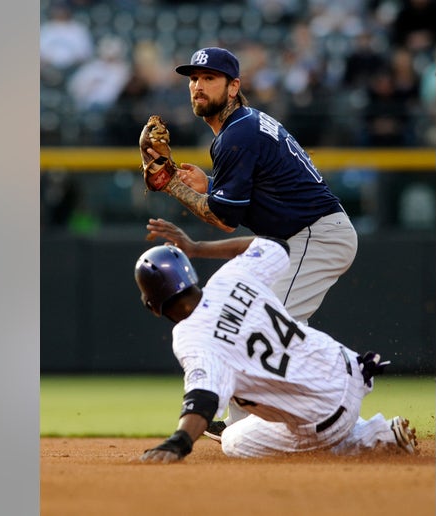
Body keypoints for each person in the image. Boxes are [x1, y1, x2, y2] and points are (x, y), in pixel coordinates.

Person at [144, 46, 359, 439]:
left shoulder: (237, 133)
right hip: (299, 237)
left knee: (266, 323)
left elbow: (225, 219)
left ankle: (335, 411)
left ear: (233, 87)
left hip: (315, 236)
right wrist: (208, 186)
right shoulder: (243, 126)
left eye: (209, 79)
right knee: (249, 318)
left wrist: (171, 184)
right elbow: (255, 196)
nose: (198, 86)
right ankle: (263, 419)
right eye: (193, 79)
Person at [134, 237, 417, 462]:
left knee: (233, 441)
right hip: (351, 367)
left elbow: (203, 399)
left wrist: (179, 443)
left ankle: (373, 436)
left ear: (152, 305)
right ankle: (373, 431)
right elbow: (274, 245)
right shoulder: (230, 277)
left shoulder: (190, 335)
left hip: (327, 415)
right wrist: (197, 247)